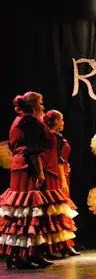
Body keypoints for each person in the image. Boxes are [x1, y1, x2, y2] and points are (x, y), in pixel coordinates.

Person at [0, 92, 52, 269]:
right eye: (41, 103)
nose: (43, 107)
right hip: (27, 167)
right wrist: (40, 173)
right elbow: (33, 149)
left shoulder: (18, 120)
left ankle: (26, 254)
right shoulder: (30, 121)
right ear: (35, 106)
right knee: (28, 211)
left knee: (19, 211)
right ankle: (24, 255)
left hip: (18, 166)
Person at [42, 110, 80, 257]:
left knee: (63, 210)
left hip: (63, 173)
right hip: (57, 175)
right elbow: (57, 160)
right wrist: (62, 180)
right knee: (58, 209)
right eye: (61, 119)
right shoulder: (53, 138)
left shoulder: (58, 137)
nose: (63, 122)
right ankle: (56, 246)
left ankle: (65, 244)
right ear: (55, 121)